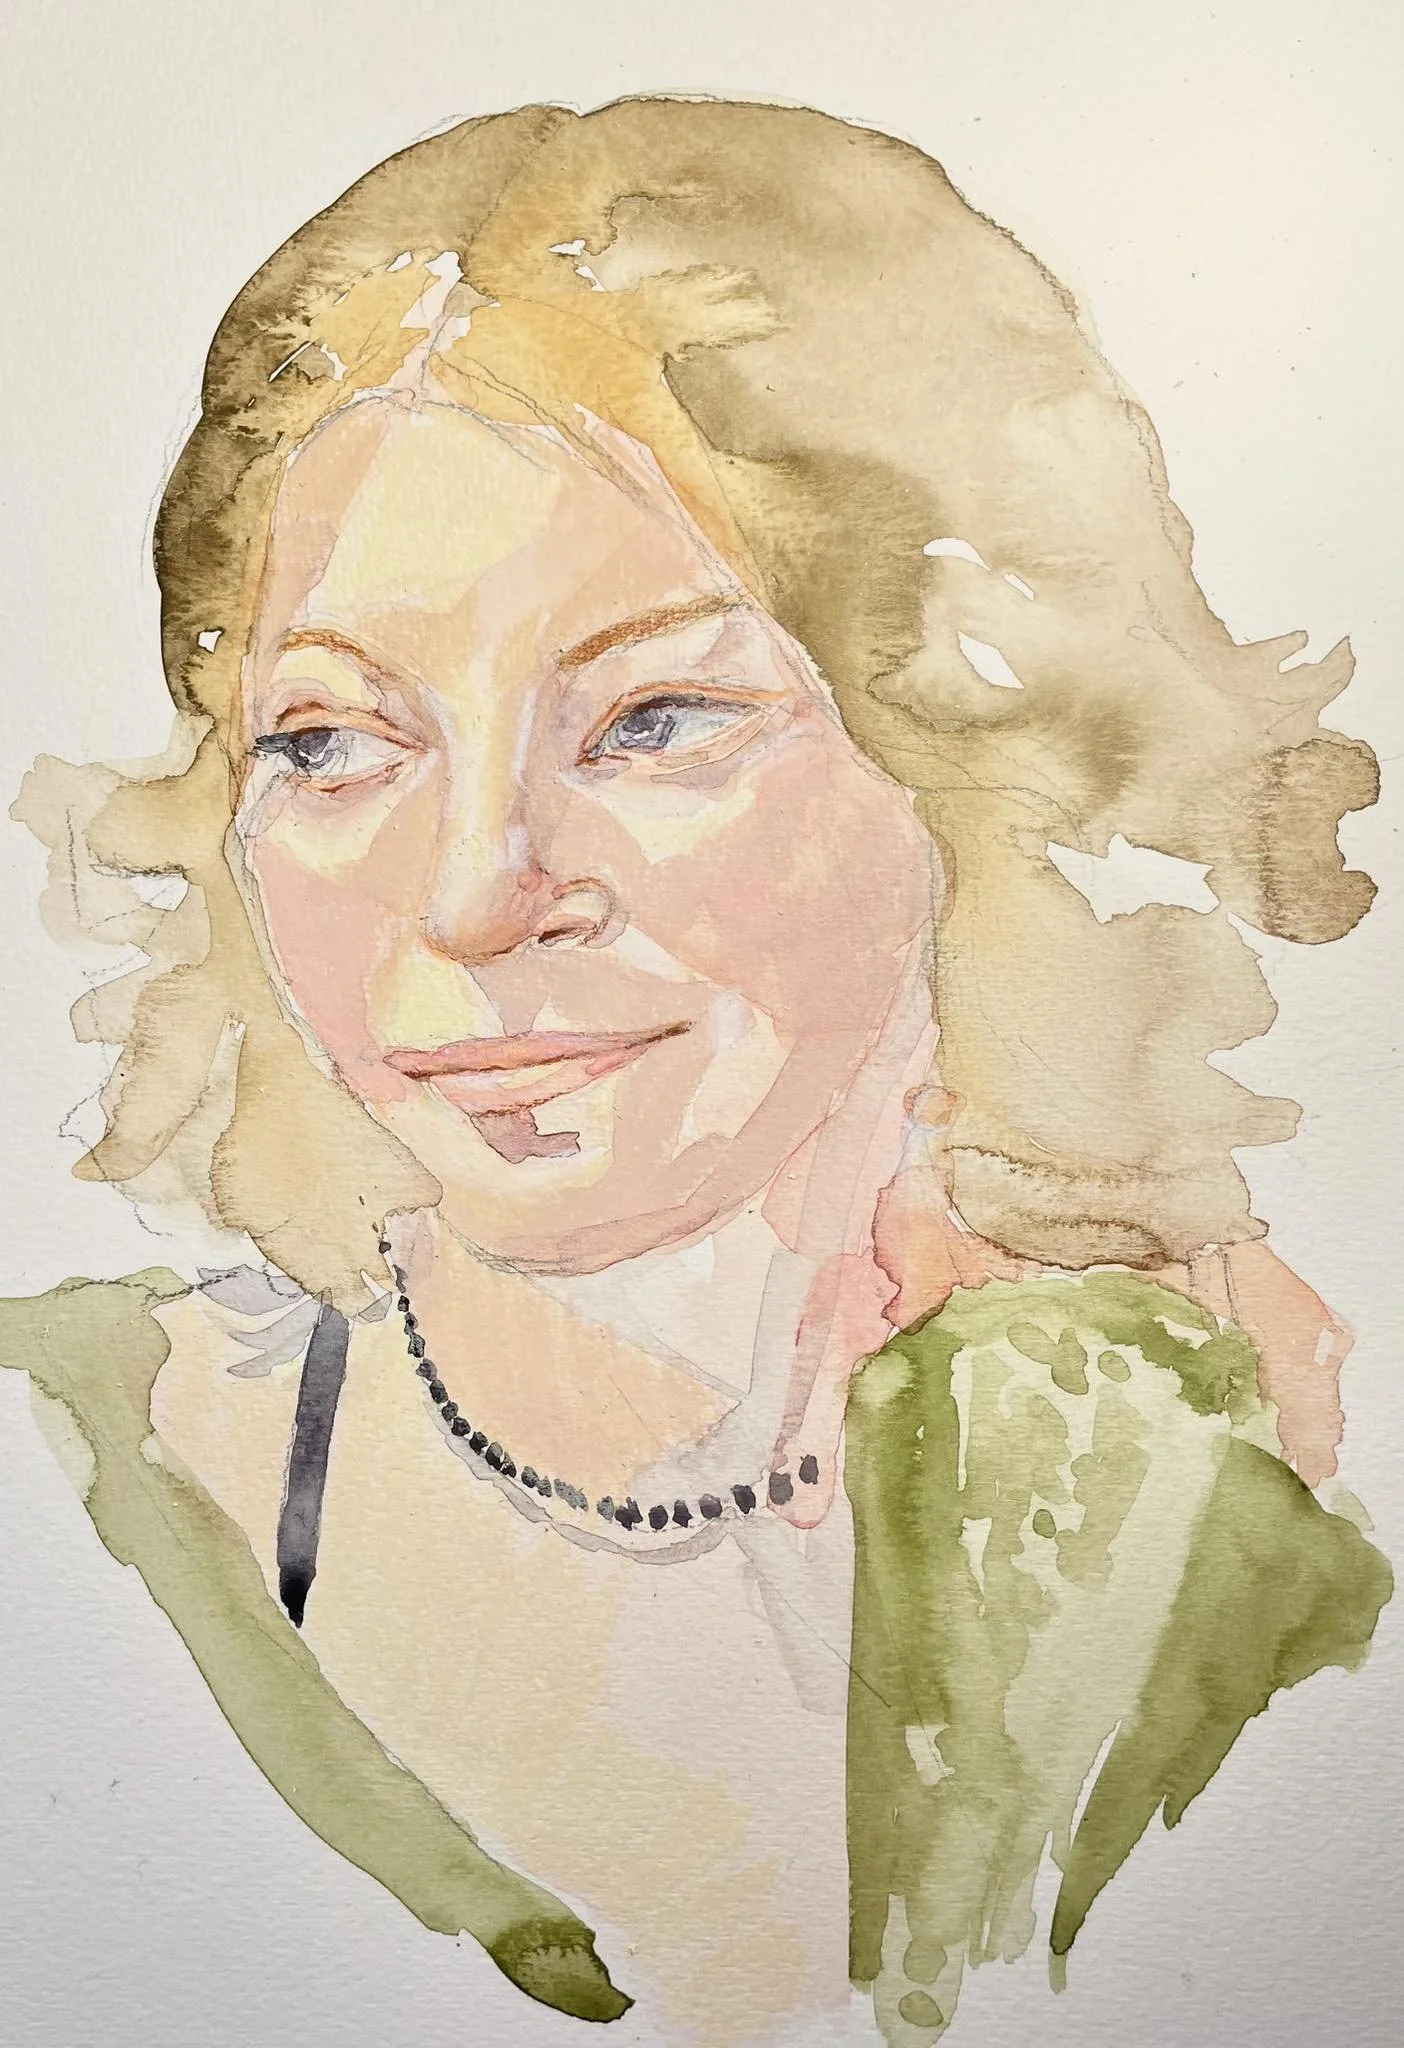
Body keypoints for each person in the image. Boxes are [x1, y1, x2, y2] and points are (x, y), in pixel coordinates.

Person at [2, 96, 1390, 2047]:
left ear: (959, 755)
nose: (472, 897)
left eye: (653, 717)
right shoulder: (69, 1476)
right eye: (327, 741)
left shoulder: (1208, 1468)